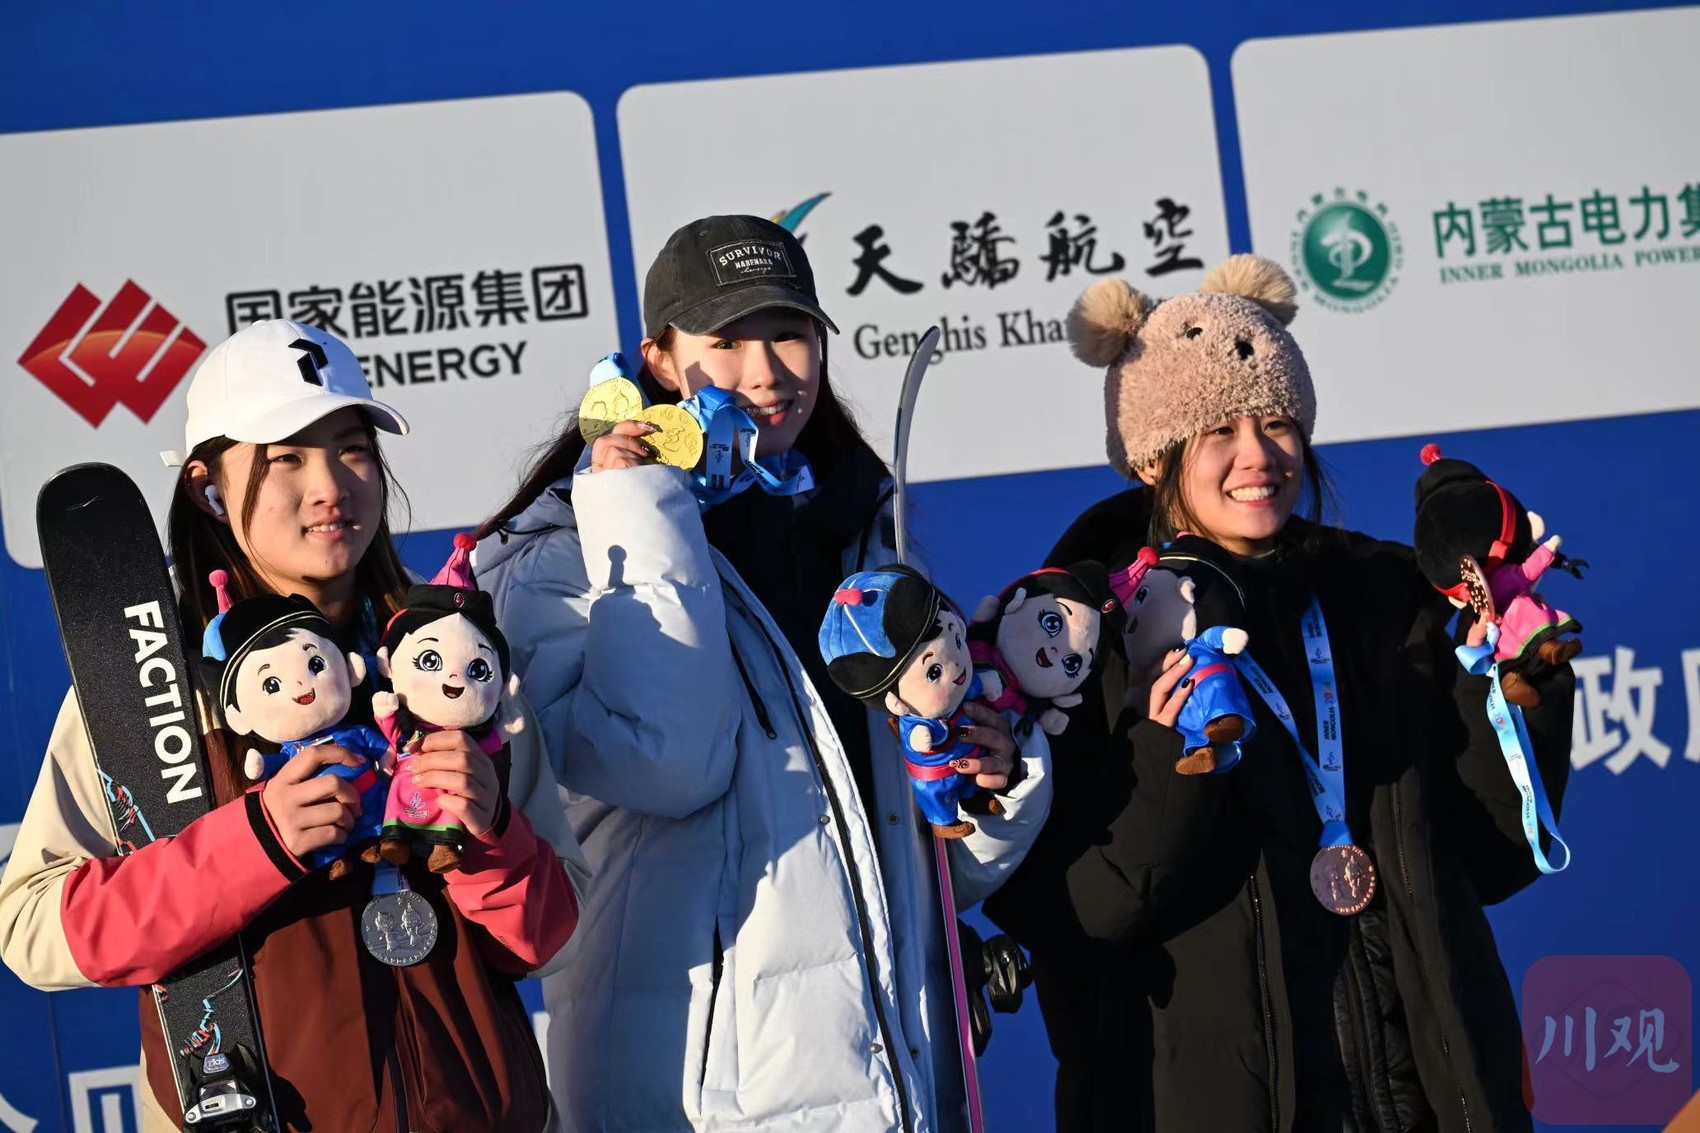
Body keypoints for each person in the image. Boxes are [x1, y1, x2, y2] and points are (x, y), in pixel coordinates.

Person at [473, 214, 1052, 1132]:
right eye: (726, 342)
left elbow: (935, 870)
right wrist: (636, 502)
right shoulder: (566, 553)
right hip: (701, 1097)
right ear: (659, 361)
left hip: (892, 1076)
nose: (767, 370)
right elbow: (667, 763)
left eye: (789, 333)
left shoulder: (862, 531)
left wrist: (992, 780)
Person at [984, 257, 1575, 1133]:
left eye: (1278, 423)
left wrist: (1523, 691)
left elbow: (1495, 856)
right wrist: (1170, 763)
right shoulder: (1072, 641)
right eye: (1218, 428)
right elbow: (1083, 912)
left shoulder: (1386, 597)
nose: (1258, 455)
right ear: (1152, 457)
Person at [0, 319, 588, 1132]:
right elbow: (32, 925)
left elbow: (557, 934)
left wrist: (490, 833)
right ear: (208, 487)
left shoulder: (448, 657)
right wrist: (253, 843)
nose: (330, 485)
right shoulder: (158, 682)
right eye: (286, 458)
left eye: (352, 449)